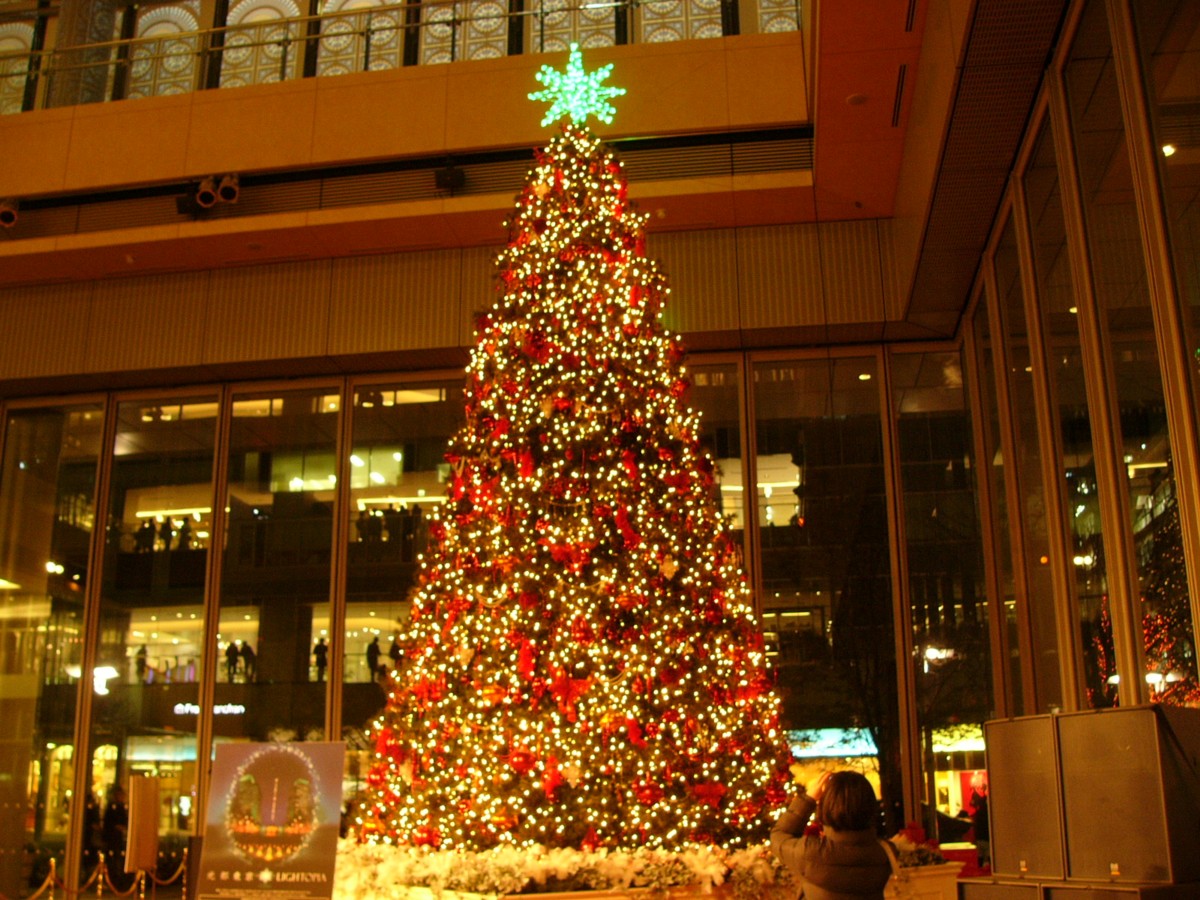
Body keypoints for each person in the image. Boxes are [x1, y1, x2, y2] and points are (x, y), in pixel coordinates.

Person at [771, 771, 893, 900]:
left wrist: (808, 799)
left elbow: (779, 836)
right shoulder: (885, 853)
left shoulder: (811, 852)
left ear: (827, 805)